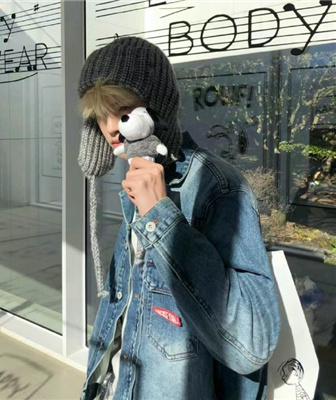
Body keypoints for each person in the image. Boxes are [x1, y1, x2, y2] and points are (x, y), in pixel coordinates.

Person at [77, 36, 281, 400]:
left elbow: (253, 342)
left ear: (156, 107)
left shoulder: (218, 187)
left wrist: (162, 218)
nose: (109, 127)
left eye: (121, 109)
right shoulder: (138, 178)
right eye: (99, 114)